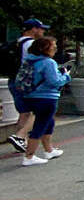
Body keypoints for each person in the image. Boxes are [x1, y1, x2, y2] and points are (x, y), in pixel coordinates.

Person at [20, 36, 70, 166]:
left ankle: (49, 150)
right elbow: (55, 82)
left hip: (31, 96)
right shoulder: (48, 62)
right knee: (40, 126)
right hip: (47, 97)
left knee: (48, 123)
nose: (55, 48)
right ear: (44, 48)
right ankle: (29, 156)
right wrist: (66, 76)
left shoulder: (28, 60)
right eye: (53, 46)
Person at [6, 18, 48, 153]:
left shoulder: (17, 42)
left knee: (24, 113)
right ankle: (20, 136)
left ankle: (20, 141)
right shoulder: (32, 44)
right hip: (27, 83)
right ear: (33, 29)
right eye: (41, 28)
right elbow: (39, 64)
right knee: (39, 110)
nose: (43, 31)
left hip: (14, 81)